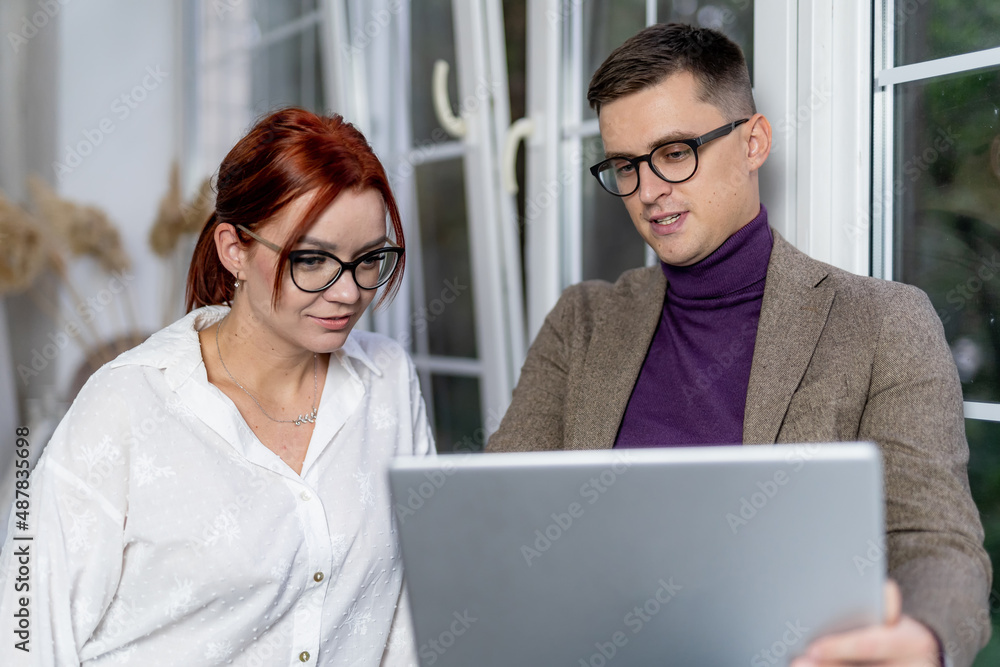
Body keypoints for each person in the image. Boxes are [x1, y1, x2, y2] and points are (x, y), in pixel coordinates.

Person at [486, 23, 991, 667]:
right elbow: (505, 524)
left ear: (753, 141)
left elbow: (934, 542)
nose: (647, 191)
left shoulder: (883, 323)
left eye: (674, 153)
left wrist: (922, 638)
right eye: (624, 166)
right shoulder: (583, 322)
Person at [0, 108, 430, 665]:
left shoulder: (389, 383)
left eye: (369, 260)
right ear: (235, 249)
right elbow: (27, 631)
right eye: (313, 259)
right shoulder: (127, 406)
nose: (348, 293)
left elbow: (408, 613)